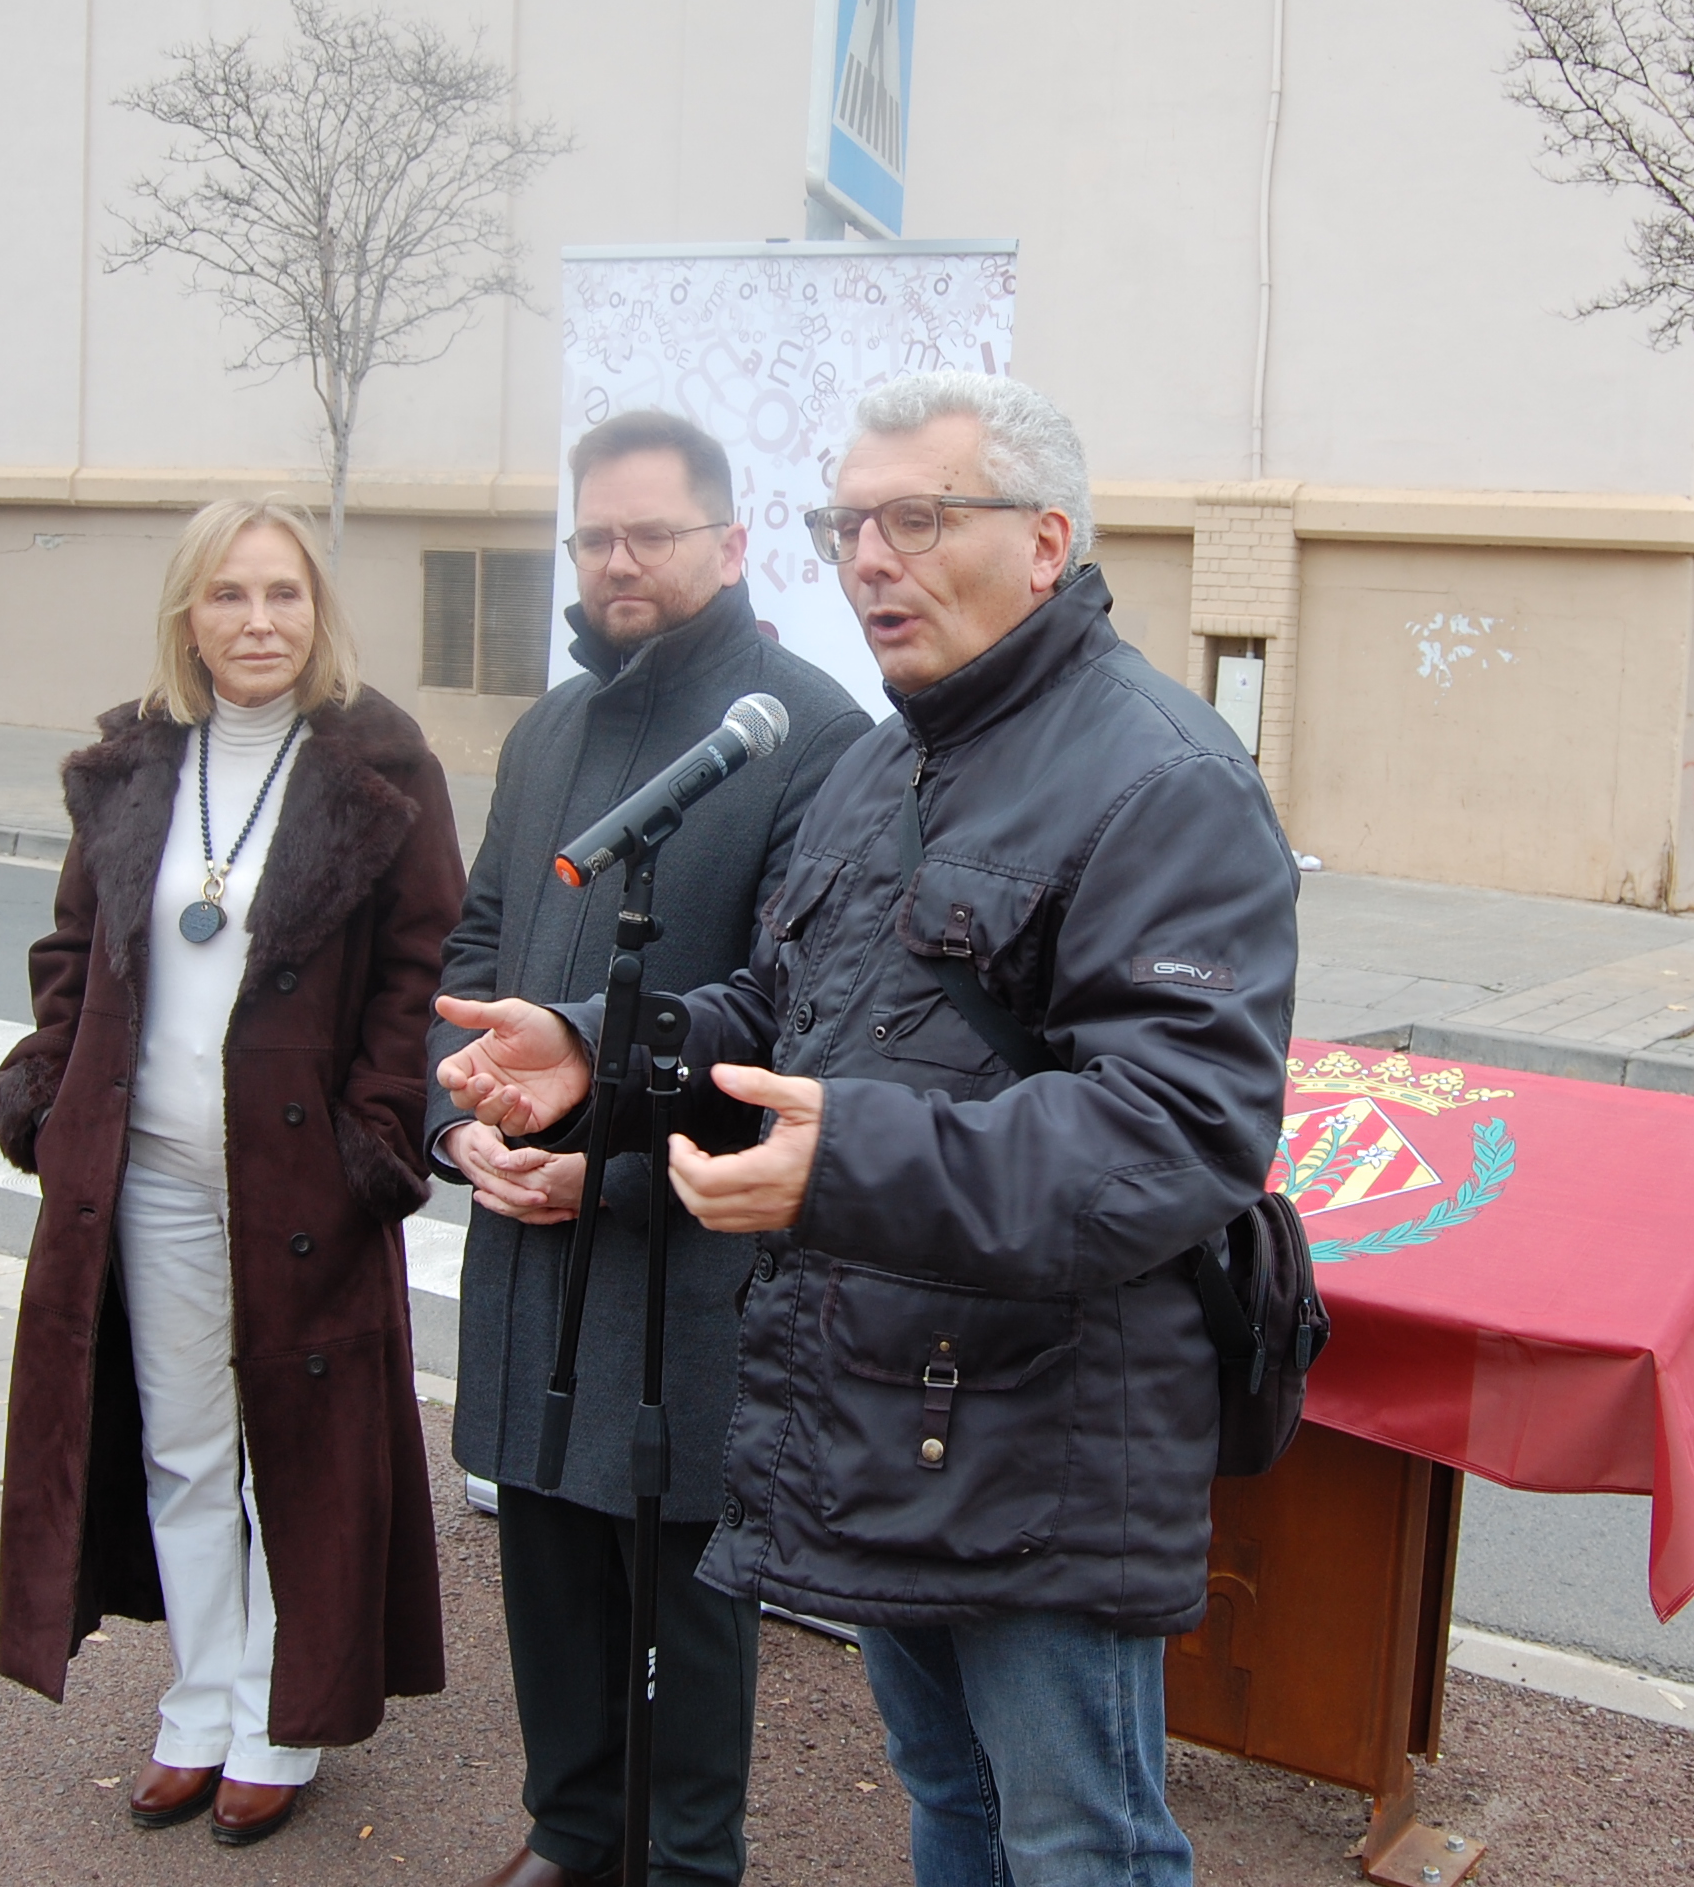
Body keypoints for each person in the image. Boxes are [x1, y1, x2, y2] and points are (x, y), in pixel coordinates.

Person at [439, 374, 1298, 1887]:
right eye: (852, 523)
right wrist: (597, 1050)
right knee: (952, 1805)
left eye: (917, 518)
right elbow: (785, 1007)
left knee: (1078, 1841)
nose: (870, 559)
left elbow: (1176, 1134)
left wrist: (844, 1165)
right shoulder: (880, 763)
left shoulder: (1163, 779)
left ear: (1045, 543)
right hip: (885, 1401)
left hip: (1049, 1429)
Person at [432, 410, 869, 1887]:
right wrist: (462, 1123)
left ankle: (686, 1862)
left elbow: (802, 1029)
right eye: (595, 536)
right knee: (545, 1563)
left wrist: (602, 1169)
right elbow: (480, 948)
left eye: (651, 535)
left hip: (687, 1256)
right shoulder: (549, 730)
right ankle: (569, 1832)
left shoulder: (809, 735)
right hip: (525, 1245)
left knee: (684, 1593)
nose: (617, 563)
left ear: (732, 544)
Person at [0, 497, 466, 1849]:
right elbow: (74, 949)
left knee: (292, 1456)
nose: (259, 622)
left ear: (317, 612)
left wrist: (381, 1132)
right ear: (187, 615)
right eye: (228, 596)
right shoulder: (135, 764)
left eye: (283, 596)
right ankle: (199, 1701)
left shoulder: (380, 767)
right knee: (185, 1446)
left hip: (307, 1184)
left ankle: (281, 1718)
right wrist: (47, 1084)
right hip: (140, 1172)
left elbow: (425, 968)